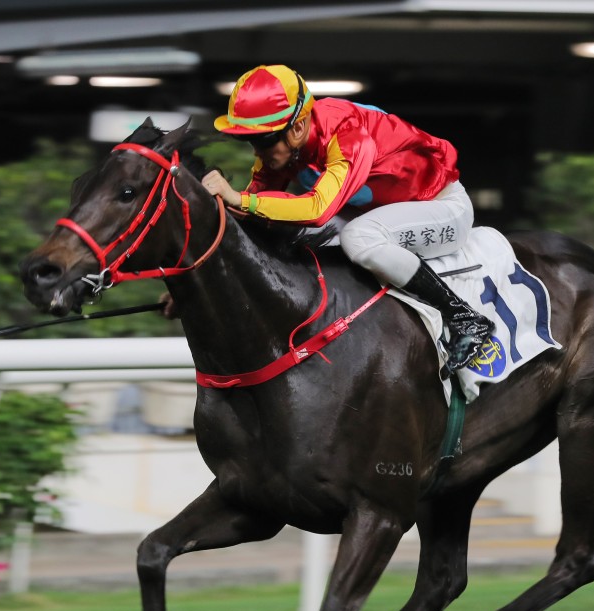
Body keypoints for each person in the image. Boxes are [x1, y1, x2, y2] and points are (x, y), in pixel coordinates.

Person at [198, 63, 492, 376]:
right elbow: (251, 216)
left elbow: (316, 210)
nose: (259, 151)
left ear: (297, 127)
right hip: (380, 213)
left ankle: (465, 318)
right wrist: (201, 278)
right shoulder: (286, 148)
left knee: (357, 237)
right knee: (290, 235)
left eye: (265, 140)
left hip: (443, 208)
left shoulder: (348, 133)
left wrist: (240, 198)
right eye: (251, 141)